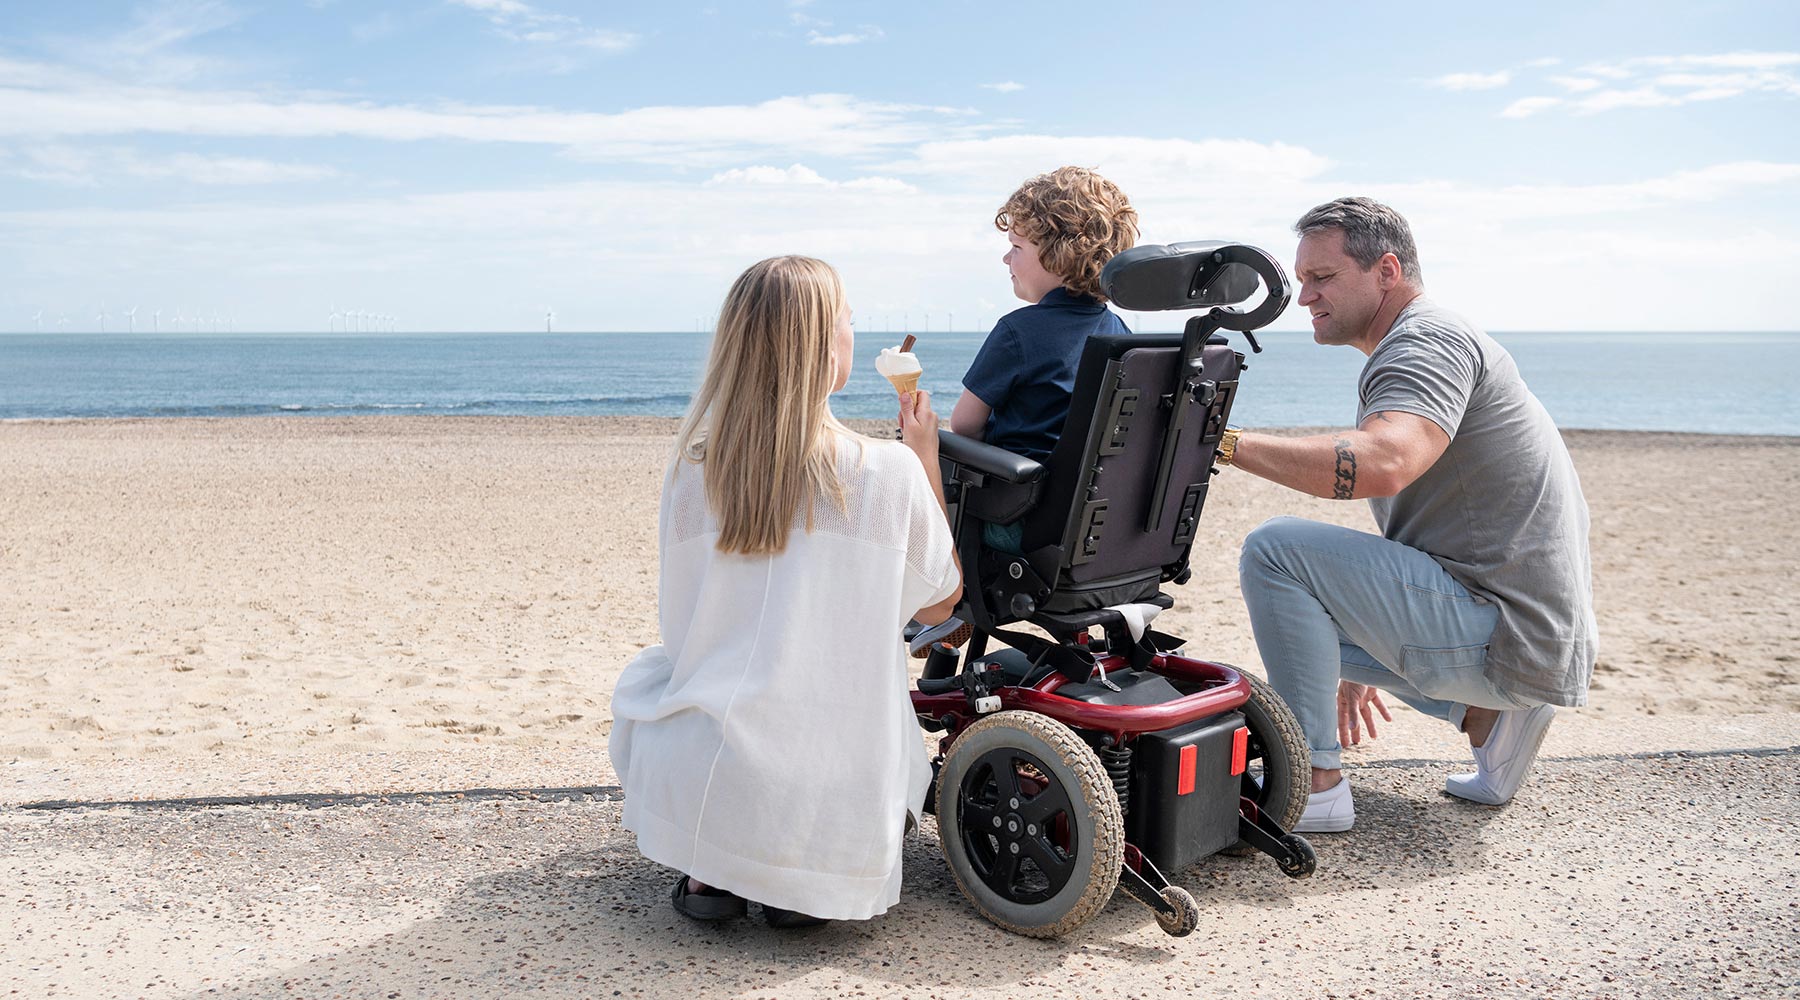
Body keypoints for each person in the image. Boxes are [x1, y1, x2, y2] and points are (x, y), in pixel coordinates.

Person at [608, 255, 962, 927]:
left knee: (656, 677)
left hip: (708, 767)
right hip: (836, 785)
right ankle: (796, 880)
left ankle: (714, 867)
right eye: (848, 321)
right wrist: (925, 459)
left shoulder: (694, 471)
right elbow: (942, 603)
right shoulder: (885, 472)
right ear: (824, 346)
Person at [1223, 197, 1596, 833]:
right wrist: (1354, 629)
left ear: (1386, 271)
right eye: (1302, 278)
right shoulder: (1425, 338)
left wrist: (1223, 442)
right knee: (1302, 611)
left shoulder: (1424, 343)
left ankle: (1315, 785)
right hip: (1531, 634)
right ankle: (1489, 720)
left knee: (1274, 550)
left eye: (1323, 278)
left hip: (1508, 632)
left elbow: (1386, 460)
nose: (1304, 297)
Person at [948, 165, 1139, 553]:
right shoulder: (1119, 333)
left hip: (1016, 522)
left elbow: (965, 425)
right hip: (1089, 527)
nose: (1006, 258)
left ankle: (944, 609)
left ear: (1058, 257)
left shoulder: (1018, 331)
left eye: (1016, 247)